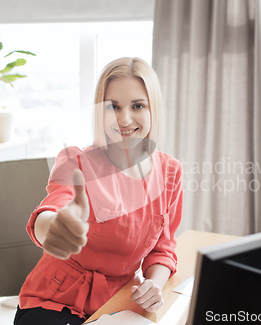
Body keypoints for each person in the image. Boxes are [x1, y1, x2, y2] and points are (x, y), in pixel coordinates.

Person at [14, 57, 183, 325]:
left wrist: (154, 284)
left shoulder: (170, 171)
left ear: (154, 110)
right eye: (113, 107)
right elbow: (52, 208)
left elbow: (163, 247)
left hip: (121, 303)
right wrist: (54, 227)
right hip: (55, 301)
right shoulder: (76, 162)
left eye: (137, 105)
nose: (124, 119)